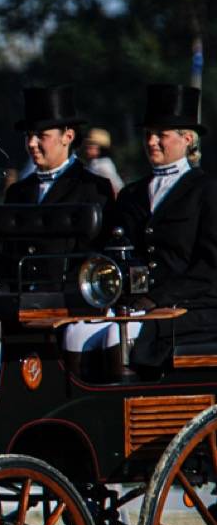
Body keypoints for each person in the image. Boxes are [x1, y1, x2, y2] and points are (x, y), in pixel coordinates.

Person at [66, 84, 217, 379]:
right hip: (133, 304)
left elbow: (209, 266)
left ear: (187, 139)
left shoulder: (206, 191)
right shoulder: (132, 194)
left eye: (161, 134)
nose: (152, 141)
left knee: (117, 335)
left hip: (191, 306)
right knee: (75, 332)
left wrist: (157, 299)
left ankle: (125, 411)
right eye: (148, 133)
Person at [0, 84, 113, 285]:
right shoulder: (18, 192)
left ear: (68, 136)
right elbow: (0, 259)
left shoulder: (92, 189)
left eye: (41, 136)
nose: (31, 143)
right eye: (28, 135)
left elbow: (96, 257)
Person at [82, 126, 126, 193]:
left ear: (101, 149)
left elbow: (116, 188)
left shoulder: (103, 165)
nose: (87, 150)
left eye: (91, 147)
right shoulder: (94, 164)